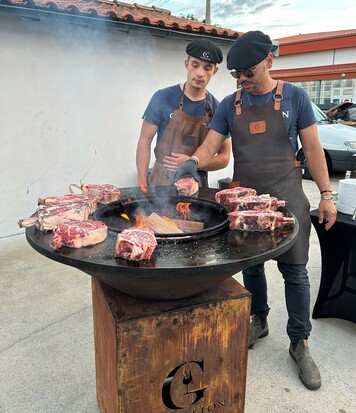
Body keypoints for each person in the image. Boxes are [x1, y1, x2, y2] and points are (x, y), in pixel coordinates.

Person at [171, 30, 337, 390]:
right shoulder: (231, 105)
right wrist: (191, 162)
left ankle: (299, 341)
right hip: (244, 198)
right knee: (252, 266)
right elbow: (211, 144)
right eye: (236, 74)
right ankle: (258, 320)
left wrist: (326, 194)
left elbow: (312, 149)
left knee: (295, 273)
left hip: (287, 196)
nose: (243, 80)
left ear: (269, 62)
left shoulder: (295, 97)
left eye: (249, 72)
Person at [136, 40, 231, 190]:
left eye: (207, 68)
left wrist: (193, 163)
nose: (200, 73)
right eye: (195, 65)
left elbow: (224, 157)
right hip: (161, 183)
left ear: (215, 71)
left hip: (196, 185)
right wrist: (142, 184)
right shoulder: (163, 97)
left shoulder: (217, 108)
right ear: (186, 64)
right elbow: (144, 141)